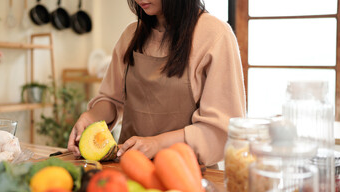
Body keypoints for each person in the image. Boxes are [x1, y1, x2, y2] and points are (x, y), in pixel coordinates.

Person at [67, 0, 246, 167]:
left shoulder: (215, 34)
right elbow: (111, 99)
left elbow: (221, 129)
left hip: (186, 175)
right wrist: (90, 117)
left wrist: (157, 144)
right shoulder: (131, 35)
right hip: (128, 169)